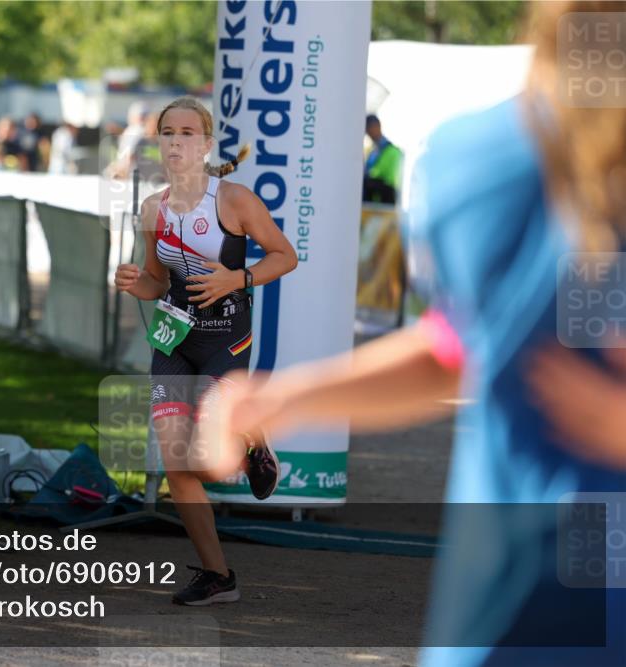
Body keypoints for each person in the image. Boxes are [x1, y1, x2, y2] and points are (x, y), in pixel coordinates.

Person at [201, 1, 625, 663]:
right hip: (514, 610)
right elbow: (461, 346)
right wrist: (291, 397)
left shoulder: (477, 159)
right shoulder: (484, 163)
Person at [114, 96, 298, 606]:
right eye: (167, 132)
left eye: (187, 133)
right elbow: (156, 281)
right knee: (177, 465)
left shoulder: (233, 200)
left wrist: (237, 278)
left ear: (206, 143)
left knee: (205, 458)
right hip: (175, 342)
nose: (175, 141)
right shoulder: (153, 208)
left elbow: (286, 256)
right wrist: (134, 282)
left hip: (225, 341)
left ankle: (251, 439)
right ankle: (219, 576)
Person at [362, 114, 403, 204]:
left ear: (378, 126)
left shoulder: (392, 151)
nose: (369, 133)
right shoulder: (372, 150)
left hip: (386, 198)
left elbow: (390, 180)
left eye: (370, 128)